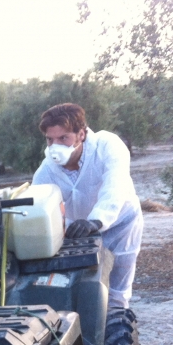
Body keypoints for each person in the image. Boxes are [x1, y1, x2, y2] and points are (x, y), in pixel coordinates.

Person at [32, 103, 143, 309]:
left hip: (121, 225)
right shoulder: (47, 169)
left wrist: (96, 220)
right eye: (50, 139)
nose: (55, 146)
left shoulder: (109, 145)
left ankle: (118, 329)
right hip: (81, 233)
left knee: (117, 293)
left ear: (81, 134)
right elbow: (37, 204)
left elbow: (115, 185)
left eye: (63, 138)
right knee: (85, 289)